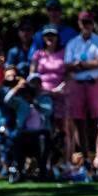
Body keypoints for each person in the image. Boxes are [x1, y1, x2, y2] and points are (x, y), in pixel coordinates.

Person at [65, 11, 98, 162]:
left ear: (92, 23)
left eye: (88, 22)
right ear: (79, 23)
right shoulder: (73, 43)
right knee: (78, 120)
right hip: (78, 84)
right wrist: (87, 65)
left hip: (95, 83)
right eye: (83, 22)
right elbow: (68, 65)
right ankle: (84, 154)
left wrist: (79, 65)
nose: (86, 25)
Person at [3, 73, 54, 182]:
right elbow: (7, 100)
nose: (35, 85)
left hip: (41, 134)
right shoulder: (21, 102)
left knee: (43, 139)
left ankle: (42, 172)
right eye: (32, 83)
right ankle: (19, 172)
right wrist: (17, 87)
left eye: (37, 83)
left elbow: (48, 111)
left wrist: (35, 103)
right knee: (16, 138)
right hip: (25, 134)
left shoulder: (45, 99)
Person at [30, 27, 68, 164]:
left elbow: (68, 75)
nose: (50, 38)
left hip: (60, 94)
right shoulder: (38, 54)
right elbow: (32, 76)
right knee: (44, 127)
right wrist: (40, 91)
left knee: (61, 129)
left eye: (53, 35)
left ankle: (62, 162)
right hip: (42, 95)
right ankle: (42, 161)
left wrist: (58, 90)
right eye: (47, 36)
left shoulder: (63, 53)